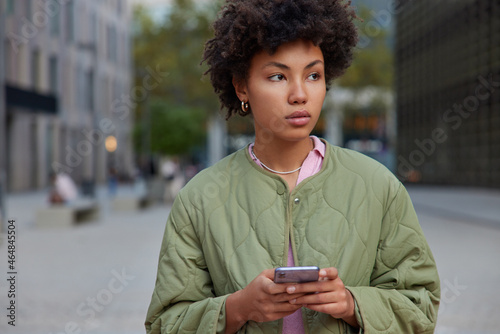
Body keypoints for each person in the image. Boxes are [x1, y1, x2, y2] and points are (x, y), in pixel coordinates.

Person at [145, 0, 440, 333]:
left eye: (313, 74)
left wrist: (351, 304)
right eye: (277, 76)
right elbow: (164, 324)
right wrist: (237, 308)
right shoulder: (198, 199)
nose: (300, 94)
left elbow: (420, 305)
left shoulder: (377, 186)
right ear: (242, 86)